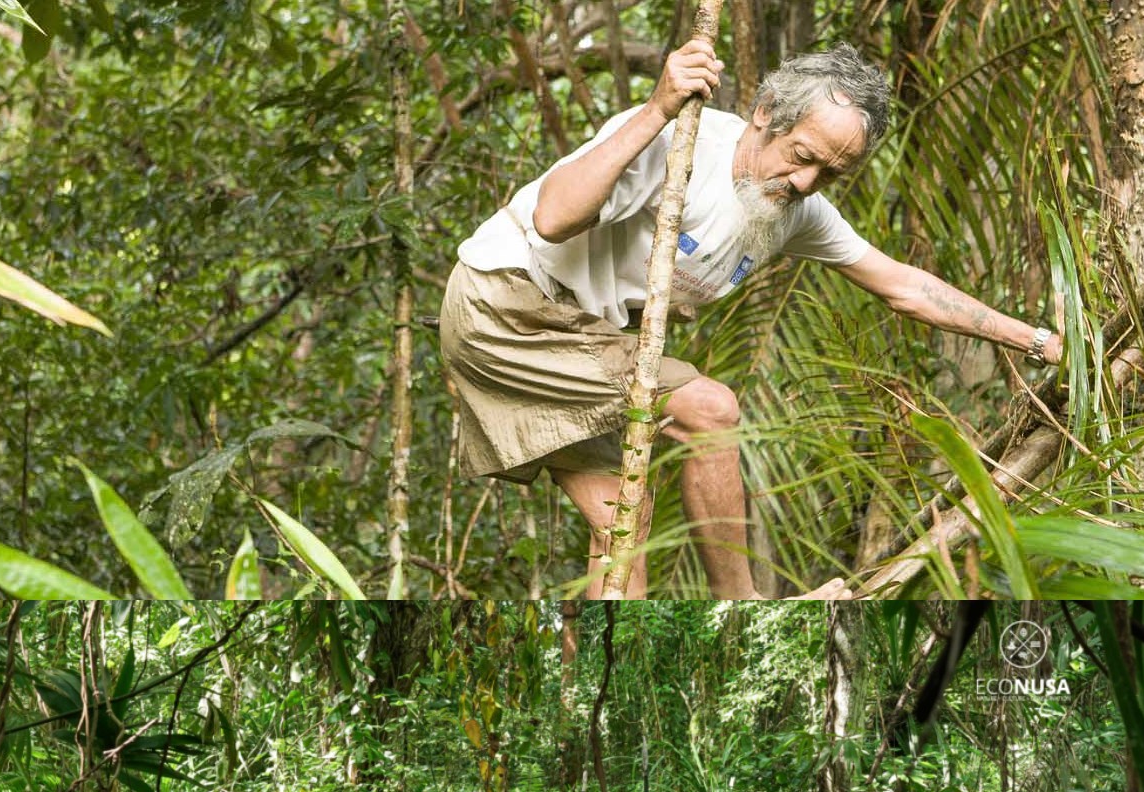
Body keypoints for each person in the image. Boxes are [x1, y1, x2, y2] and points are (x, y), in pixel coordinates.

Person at [440, 41, 1064, 599]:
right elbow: (552, 218)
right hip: (506, 303)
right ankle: (742, 611)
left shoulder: (797, 210)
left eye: (830, 173)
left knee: (622, 518)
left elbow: (903, 286)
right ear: (765, 114)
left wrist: (1036, 340)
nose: (806, 181)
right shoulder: (680, 140)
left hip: (577, 334)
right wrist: (655, 109)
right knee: (710, 410)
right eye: (802, 156)